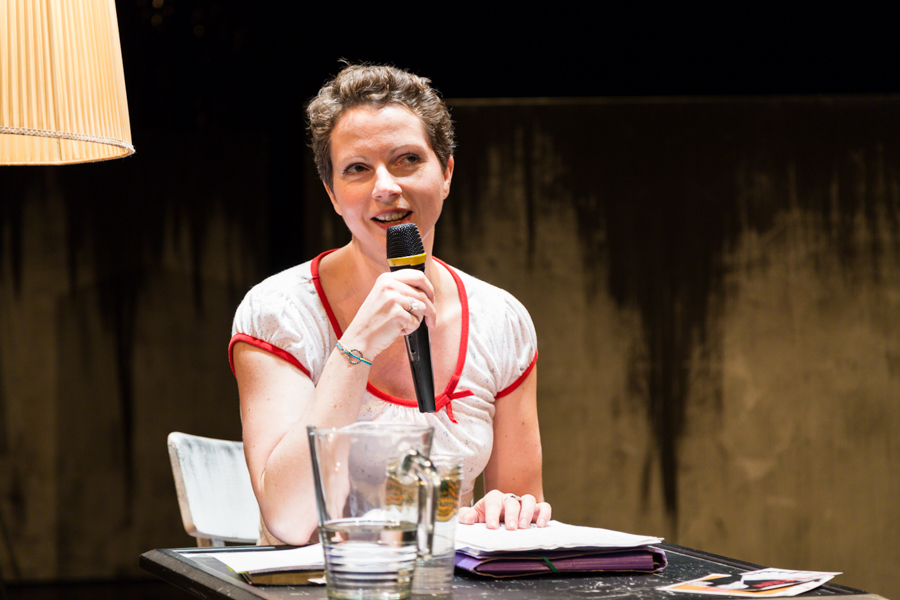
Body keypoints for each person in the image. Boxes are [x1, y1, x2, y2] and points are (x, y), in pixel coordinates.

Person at [230, 63, 551, 546]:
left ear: (446, 173)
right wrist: (357, 344)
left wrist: (507, 510)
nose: (385, 187)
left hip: (444, 578)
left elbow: (518, 515)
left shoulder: (500, 320)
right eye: (357, 169)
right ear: (332, 194)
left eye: (407, 159)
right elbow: (289, 520)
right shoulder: (278, 312)